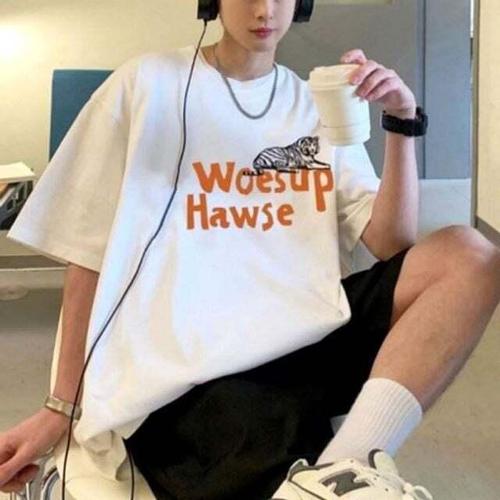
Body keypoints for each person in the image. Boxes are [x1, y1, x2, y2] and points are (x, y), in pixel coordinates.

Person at [1, 0, 500, 498]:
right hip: (194, 370)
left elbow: (391, 243)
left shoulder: (316, 103)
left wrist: (401, 122)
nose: (264, 9)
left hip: (309, 336)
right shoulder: (146, 85)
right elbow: (87, 252)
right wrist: (61, 407)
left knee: (471, 256)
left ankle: (345, 464)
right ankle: (330, 478)